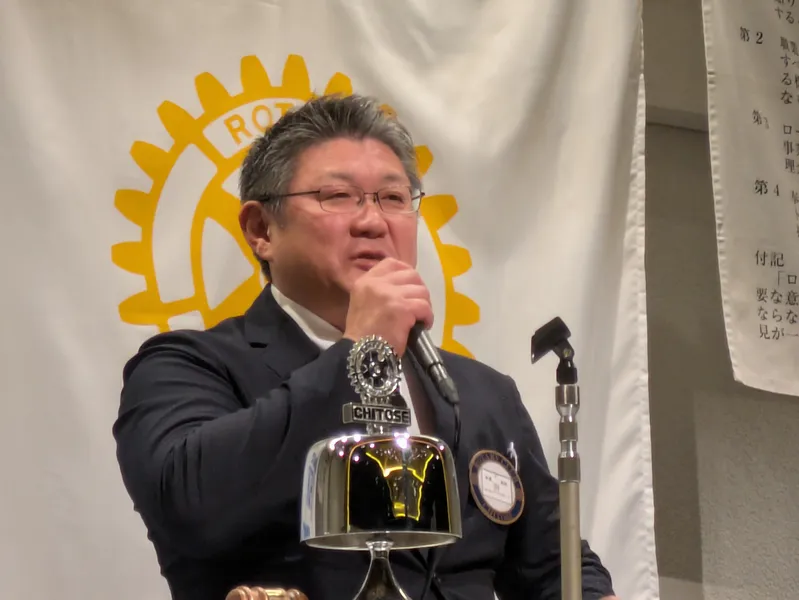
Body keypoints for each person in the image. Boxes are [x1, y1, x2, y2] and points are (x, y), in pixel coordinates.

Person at [113, 94, 619, 600]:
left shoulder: (481, 392)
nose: (373, 222)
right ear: (261, 229)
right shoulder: (188, 365)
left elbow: (555, 568)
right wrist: (362, 351)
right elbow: (189, 507)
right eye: (338, 196)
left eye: (393, 198)